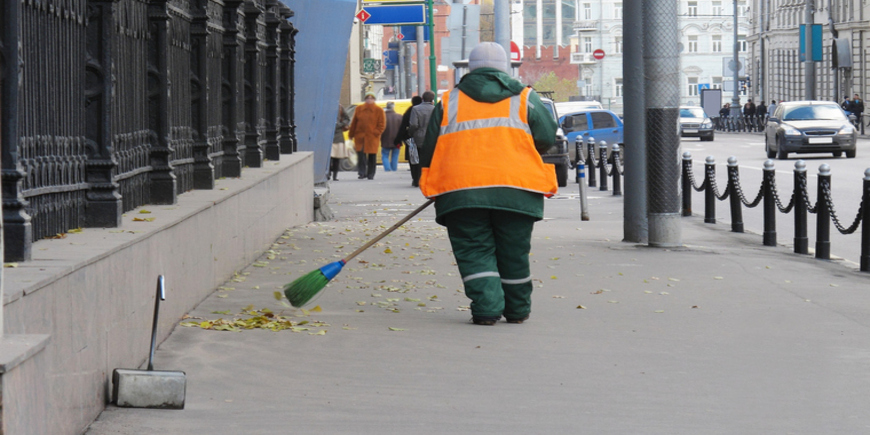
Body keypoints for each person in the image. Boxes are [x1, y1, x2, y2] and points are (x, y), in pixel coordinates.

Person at [417, 42, 558, 326]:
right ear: (505, 68)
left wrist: (435, 182)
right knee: (514, 251)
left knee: (473, 249)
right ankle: (517, 310)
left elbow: (429, 149)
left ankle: (486, 308)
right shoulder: (525, 98)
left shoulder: (449, 101)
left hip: (461, 191)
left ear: (470, 68)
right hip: (517, 189)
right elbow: (546, 137)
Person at [348, 91, 386, 180]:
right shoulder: (359, 109)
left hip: (372, 137)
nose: (369, 100)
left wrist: (376, 132)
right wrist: (351, 134)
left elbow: (382, 124)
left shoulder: (378, 110)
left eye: (371, 98)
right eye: (368, 98)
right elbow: (354, 122)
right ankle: (362, 173)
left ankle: (371, 174)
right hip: (360, 136)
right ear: (365, 99)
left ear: (374, 99)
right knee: (361, 155)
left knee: (372, 156)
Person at [407, 90, 437, 187]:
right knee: (430, 159)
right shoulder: (435, 109)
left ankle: (419, 180)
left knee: (418, 158)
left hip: (419, 137)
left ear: (422, 98)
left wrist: (411, 133)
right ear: (432, 99)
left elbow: (414, 124)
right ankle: (429, 180)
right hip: (432, 137)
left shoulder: (415, 109)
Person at [395, 96, 423, 185]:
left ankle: (415, 179)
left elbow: (403, 126)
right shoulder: (428, 110)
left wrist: (398, 139)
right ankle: (421, 178)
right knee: (422, 160)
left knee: (413, 160)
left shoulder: (409, 111)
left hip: (411, 139)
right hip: (424, 139)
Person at [330, 103, 351, 181]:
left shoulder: (340, 107)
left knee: (336, 157)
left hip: (338, 135)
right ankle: (328, 174)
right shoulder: (325, 106)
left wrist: (341, 124)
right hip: (328, 135)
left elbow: (347, 118)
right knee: (329, 158)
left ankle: (335, 175)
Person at [380, 102, 403, 172]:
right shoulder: (399, 117)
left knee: (385, 155)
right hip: (397, 141)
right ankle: (394, 169)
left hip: (385, 140)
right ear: (393, 107)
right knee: (395, 155)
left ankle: (387, 169)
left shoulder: (382, 117)